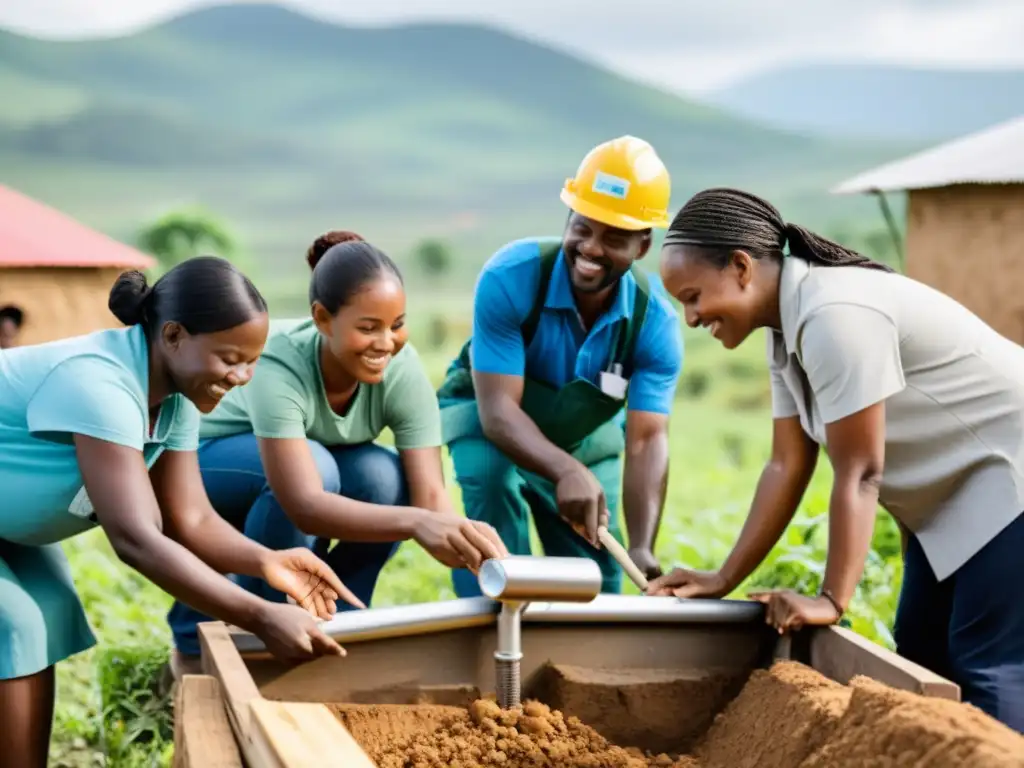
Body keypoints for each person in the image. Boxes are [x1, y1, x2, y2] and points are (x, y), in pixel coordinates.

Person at [649, 186, 1024, 733]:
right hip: (953, 500)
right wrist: (722, 576)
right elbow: (786, 465)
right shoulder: (784, 332)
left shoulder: (834, 314)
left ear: (740, 266)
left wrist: (832, 598)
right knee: (922, 650)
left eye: (693, 296)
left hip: (1008, 478)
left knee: (987, 664)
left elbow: (861, 470)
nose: (690, 317)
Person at [0, 256, 358, 767]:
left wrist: (268, 563)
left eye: (251, 361)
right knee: (13, 624)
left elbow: (191, 519)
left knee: (50, 607)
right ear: (172, 335)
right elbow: (136, 539)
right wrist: (257, 614)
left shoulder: (177, 397)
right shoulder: (98, 383)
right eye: (229, 357)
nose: (241, 376)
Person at [166, 231, 508, 674]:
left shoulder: (401, 371)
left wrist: (473, 551)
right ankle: (237, 637)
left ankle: (337, 627)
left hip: (295, 468)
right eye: (368, 328)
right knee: (316, 466)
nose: (386, 342)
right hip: (201, 467)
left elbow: (430, 500)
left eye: (397, 324)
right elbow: (303, 504)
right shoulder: (280, 361)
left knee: (383, 477)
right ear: (323, 319)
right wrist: (419, 522)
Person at [436, 136, 684, 597]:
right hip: (488, 419)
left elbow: (648, 438)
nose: (591, 248)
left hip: (583, 439)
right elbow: (498, 415)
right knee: (493, 500)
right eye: (583, 228)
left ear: (643, 245)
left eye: (614, 238)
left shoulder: (655, 322)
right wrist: (564, 471)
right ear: (568, 218)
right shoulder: (510, 277)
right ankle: (490, 634)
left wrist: (645, 546)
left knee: (595, 575)